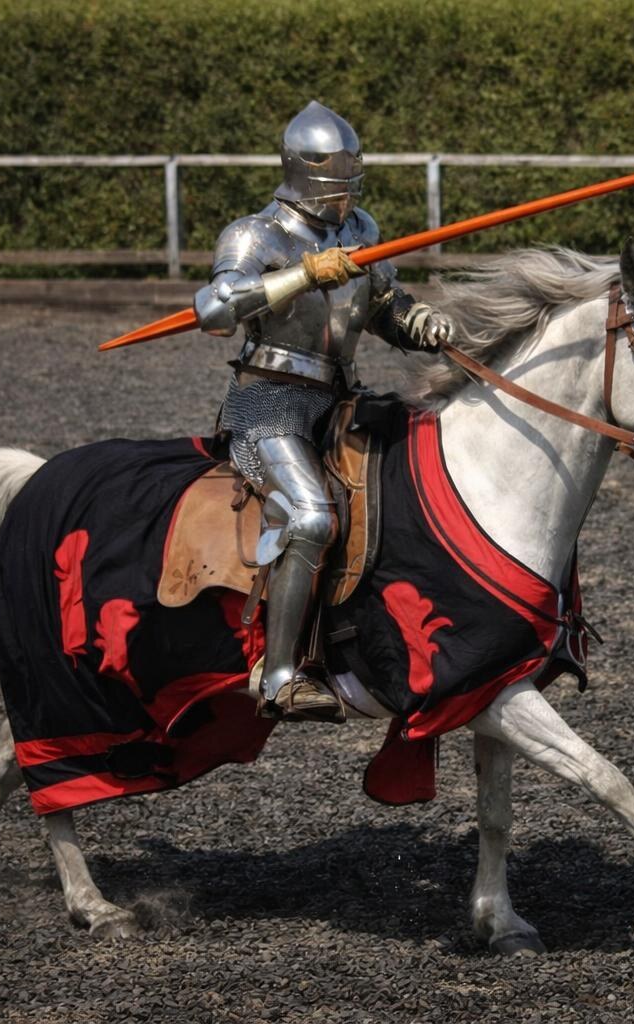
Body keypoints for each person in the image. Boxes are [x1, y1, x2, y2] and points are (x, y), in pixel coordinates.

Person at [193, 101, 453, 722]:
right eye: (336, 171)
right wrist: (301, 276)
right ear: (304, 168)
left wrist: (417, 322)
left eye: (352, 171)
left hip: (341, 399)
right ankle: (278, 676)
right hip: (269, 402)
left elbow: (385, 306)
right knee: (310, 516)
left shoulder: (362, 228)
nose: (346, 187)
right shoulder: (257, 234)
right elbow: (213, 311)